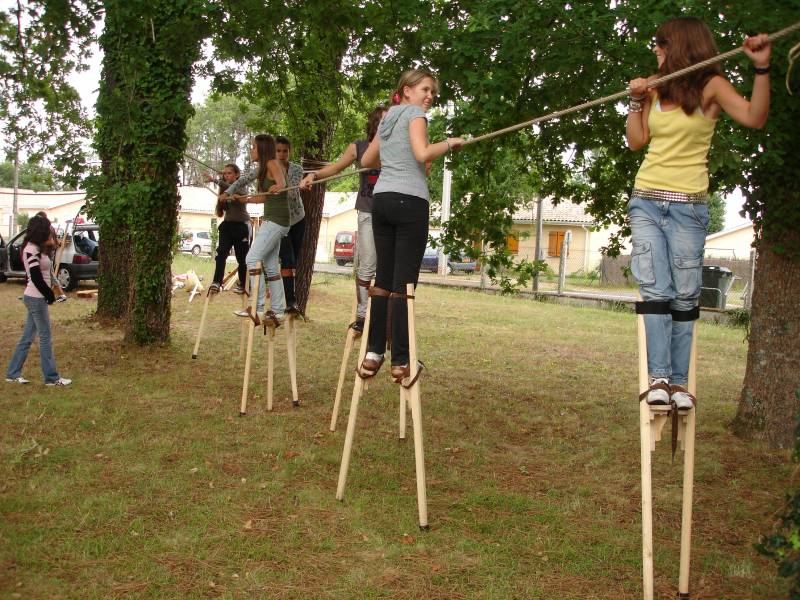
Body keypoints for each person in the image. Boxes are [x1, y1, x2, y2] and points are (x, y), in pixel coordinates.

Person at [627, 17, 770, 409]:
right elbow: (637, 141)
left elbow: (754, 117)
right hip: (646, 200)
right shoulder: (655, 89)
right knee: (656, 290)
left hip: (688, 206)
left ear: (681, 45)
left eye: (660, 42)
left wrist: (761, 67)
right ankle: (658, 380)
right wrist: (637, 100)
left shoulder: (712, 86)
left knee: (685, 293)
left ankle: (679, 384)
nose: (654, 49)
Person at [357, 70, 464, 381]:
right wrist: (450, 143)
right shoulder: (416, 114)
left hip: (383, 200)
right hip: (409, 203)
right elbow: (423, 152)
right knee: (404, 284)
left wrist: (400, 162)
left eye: (433, 92)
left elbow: (368, 161)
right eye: (425, 89)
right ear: (406, 90)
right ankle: (401, 360)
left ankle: (374, 353)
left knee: (383, 280)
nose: (429, 96)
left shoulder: (388, 116)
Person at [300, 105, 387, 332]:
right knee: (367, 265)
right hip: (368, 212)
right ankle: (361, 315)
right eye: (384, 122)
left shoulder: (397, 147)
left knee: (388, 268)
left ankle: (385, 317)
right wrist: (314, 174)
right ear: (375, 124)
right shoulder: (358, 147)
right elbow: (335, 167)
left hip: (391, 213)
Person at [222, 134, 289, 326]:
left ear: (260, 148)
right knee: (270, 266)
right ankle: (278, 310)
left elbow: (282, 183)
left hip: (276, 220)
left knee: (252, 259)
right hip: (276, 219)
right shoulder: (263, 168)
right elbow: (263, 198)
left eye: (252, 147)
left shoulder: (272, 163)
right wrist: (241, 199)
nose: (250, 150)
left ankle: (257, 308)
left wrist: (279, 185)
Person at [6, 214, 72, 386]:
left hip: (35, 297)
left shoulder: (38, 247)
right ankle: (51, 378)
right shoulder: (30, 249)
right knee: (45, 337)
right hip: (35, 297)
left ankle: (12, 373)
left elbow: (45, 271)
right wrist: (49, 294)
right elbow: (35, 276)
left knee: (27, 337)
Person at [204, 163, 250, 294]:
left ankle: (243, 284)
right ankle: (217, 282)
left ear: (237, 175)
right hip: (227, 226)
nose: (226, 176)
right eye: (225, 173)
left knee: (242, 258)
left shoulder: (241, 186)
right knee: (221, 253)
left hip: (241, 227)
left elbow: (233, 188)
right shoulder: (224, 189)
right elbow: (227, 188)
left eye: (229, 173)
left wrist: (215, 180)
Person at [275, 136, 305, 313]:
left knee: (295, 260)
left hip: (298, 218)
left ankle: (291, 298)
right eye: (278, 151)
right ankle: (290, 301)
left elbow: (292, 192)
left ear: (289, 152)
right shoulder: (269, 170)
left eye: (285, 151)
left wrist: (280, 176)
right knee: (287, 259)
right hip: (281, 221)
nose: (281, 154)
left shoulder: (296, 169)